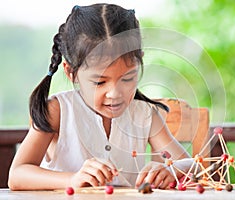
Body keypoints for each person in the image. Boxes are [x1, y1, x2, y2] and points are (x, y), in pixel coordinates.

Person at [8, 3, 190, 190]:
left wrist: (172, 169)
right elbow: (17, 175)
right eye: (99, 82)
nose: (115, 94)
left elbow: (191, 165)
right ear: (71, 72)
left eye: (127, 78)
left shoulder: (146, 115)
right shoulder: (59, 111)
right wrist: (72, 180)